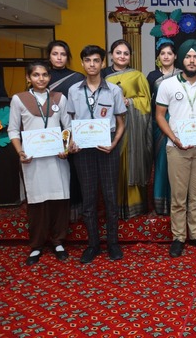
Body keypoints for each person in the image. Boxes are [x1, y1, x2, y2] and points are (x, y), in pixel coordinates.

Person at [155, 39, 196, 257]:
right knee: (179, 196)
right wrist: (174, 138)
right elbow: (159, 116)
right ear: (182, 59)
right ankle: (178, 237)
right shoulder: (168, 85)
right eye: (188, 56)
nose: (192, 60)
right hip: (177, 147)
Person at [8, 62, 71, 266]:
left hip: (57, 158)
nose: (41, 78)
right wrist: (20, 152)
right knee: (37, 203)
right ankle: (36, 245)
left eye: (44, 75)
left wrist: (66, 148)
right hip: (32, 160)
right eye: (36, 75)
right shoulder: (19, 99)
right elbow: (13, 130)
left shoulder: (59, 98)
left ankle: (58, 241)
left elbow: (67, 127)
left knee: (59, 201)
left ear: (49, 77)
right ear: (28, 78)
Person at [67, 45, 126, 263]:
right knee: (89, 198)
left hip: (107, 146)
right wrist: (71, 141)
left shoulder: (114, 91)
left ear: (103, 63)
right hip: (83, 149)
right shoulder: (73, 91)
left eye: (96, 60)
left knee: (111, 197)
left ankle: (112, 243)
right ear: (82, 63)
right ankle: (93, 244)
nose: (92, 64)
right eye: (87, 60)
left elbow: (121, 123)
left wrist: (114, 144)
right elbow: (70, 122)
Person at [103, 39, 152, 219]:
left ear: (130, 56)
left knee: (132, 162)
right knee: (114, 165)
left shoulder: (138, 76)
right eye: (118, 52)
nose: (122, 56)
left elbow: (146, 103)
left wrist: (129, 102)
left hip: (134, 129)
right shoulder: (103, 77)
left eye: (125, 53)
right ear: (111, 55)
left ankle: (135, 207)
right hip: (111, 128)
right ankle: (114, 207)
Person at [46, 40, 85, 221]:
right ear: (49, 56)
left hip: (70, 128)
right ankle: (54, 212)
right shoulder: (42, 76)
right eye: (55, 54)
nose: (59, 58)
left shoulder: (77, 78)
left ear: (67, 57)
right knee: (51, 171)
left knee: (72, 171)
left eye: (62, 54)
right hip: (47, 130)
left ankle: (74, 211)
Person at [146, 39, 181, 215]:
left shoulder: (182, 75)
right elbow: (148, 102)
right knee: (161, 163)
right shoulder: (152, 76)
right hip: (159, 122)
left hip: (178, 122)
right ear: (158, 57)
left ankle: (178, 203)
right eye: (162, 54)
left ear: (175, 56)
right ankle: (161, 205)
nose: (166, 56)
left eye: (169, 53)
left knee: (178, 163)